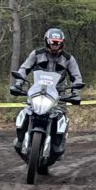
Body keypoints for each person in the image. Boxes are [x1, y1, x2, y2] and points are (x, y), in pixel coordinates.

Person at [10, 26, 85, 162]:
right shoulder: (36, 54)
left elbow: (77, 77)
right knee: (25, 112)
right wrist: (18, 84)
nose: (55, 46)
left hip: (58, 95)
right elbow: (24, 68)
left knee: (62, 118)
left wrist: (75, 92)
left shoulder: (68, 59)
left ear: (62, 43)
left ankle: (59, 145)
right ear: (47, 41)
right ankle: (21, 139)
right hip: (38, 92)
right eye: (53, 42)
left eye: (58, 43)